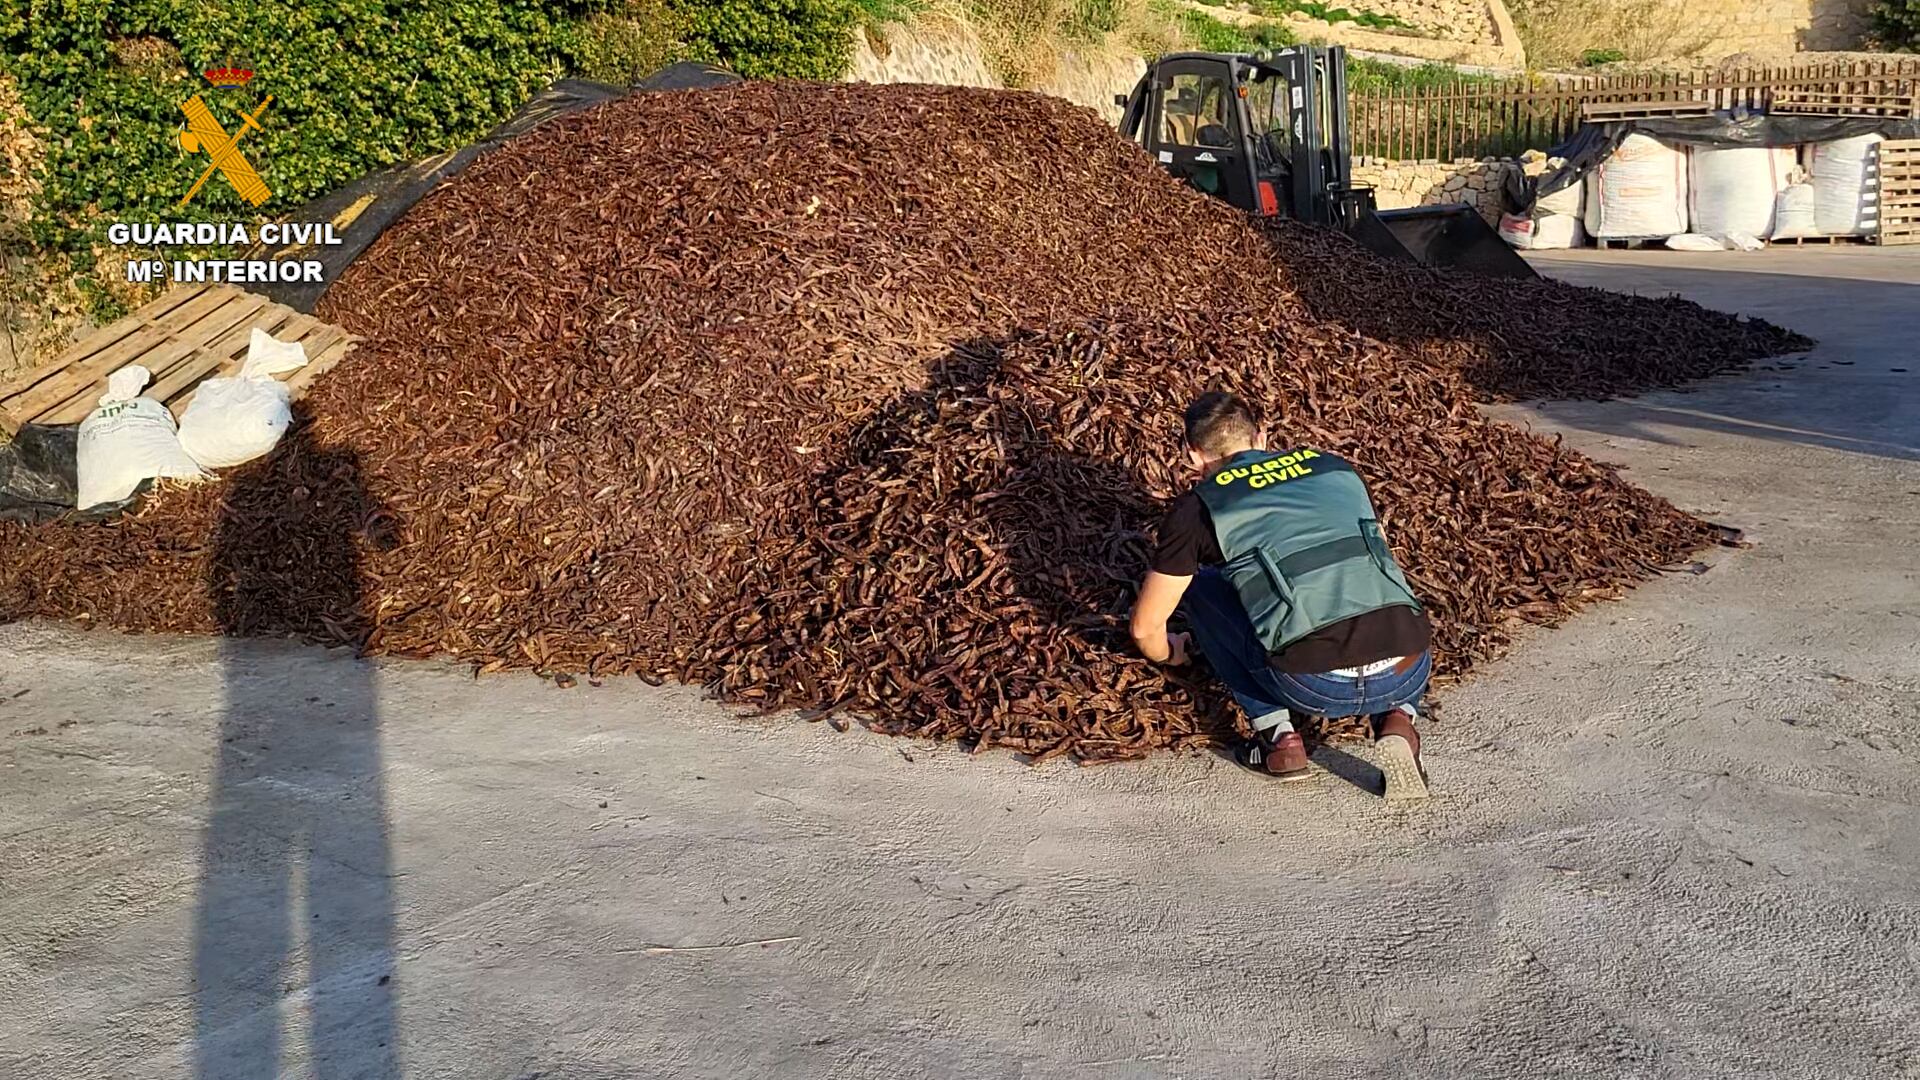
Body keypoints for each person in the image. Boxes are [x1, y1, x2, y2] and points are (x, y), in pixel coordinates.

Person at [1129, 390, 1433, 800]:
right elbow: (1383, 558)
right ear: (1262, 437)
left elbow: (1146, 626)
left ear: (1193, 455)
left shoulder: (1198, 510)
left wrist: (1172, 653)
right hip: (1408, 664)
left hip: (1312, 682)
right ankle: (1398, 717)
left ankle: (1279, 739)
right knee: (1370, 585)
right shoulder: (1335, 469)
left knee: (1201, 587)